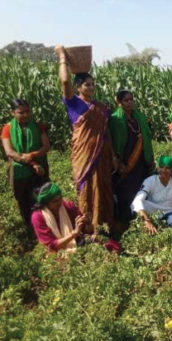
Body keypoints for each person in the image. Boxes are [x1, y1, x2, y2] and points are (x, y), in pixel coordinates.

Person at [55, 45, 114, 229]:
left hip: (101, 155)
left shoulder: (102, 108)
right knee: (86, 188)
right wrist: (62, 57)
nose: (91, 87)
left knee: (103, 187)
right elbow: (65, 82)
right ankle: (87, 226)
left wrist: (112, 155)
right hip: (84, 156)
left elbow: (106, 133)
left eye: (93, 84)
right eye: (87, 84)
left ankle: (104, 223)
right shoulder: (73, 104)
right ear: (78, 87)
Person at [109, 90, 154, 230]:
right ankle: (126, 222)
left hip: (140, 161)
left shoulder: (138, 117)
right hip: (125, 162)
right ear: (119, 102)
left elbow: (146, 136)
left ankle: (141, 218)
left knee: (140, 190)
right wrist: (117, 160)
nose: (130, 102)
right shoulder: (115, 119)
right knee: (125, 193)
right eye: (126, 100)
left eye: (131, 99)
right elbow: (114, 141)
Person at [2, 98, 50, 225]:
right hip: (20, 169)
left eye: (27, 111)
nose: (25, 115)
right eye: (21, 112)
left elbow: (46, 147)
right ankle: (29, 225)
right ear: (12, 112)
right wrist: (33, 163)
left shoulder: (38, 127)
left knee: (41, 194)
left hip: (40, 166)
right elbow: (10, 152)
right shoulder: (7, 129)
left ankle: (44, 222)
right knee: (23, 198)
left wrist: (32, 155)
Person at [31, 182, 90, 253]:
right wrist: (74, 233)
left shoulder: (68, 206)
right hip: (53, 252)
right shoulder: (38, 217)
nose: (60, 202)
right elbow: (51, 245)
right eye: (55, 201)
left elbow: (84, 227)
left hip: (76, 243)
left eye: (60, 198)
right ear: (46, 203)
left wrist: (85, 221)